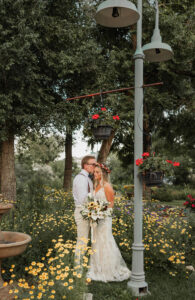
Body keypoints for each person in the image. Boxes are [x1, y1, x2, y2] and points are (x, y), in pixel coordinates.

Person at [87, 163, 131, 282]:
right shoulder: (96, 185)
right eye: (94, 172)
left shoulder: (107, 186)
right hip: (96, 219)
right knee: (96, 242)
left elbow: (111, 204)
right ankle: (97, 268)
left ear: (103, 174)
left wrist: (101, 214)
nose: (94, 174)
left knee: (105, 241)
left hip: (105, 219)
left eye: (97, 172)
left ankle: (107, 270)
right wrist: (92, 212)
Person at [73, 155, 96, 263]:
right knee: (82, 240)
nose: (95, 167)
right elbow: (83, 199)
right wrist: (97, 196)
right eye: (93, 164)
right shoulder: (81, 179)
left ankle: (82, 263)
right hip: (82, 211)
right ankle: (78, 267)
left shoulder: (86, 178)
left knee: (85, 239)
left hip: (87, 211)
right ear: (86, 165)